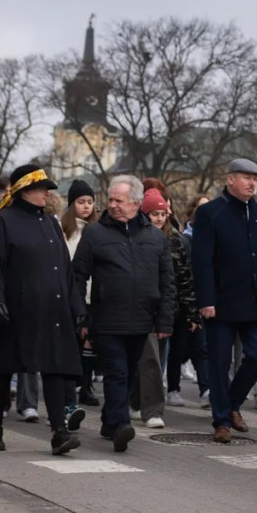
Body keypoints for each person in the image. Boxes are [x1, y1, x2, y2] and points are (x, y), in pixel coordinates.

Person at [0, 165, 84, 455]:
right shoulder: (3, 221)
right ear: (24, 190)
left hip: (52, 311)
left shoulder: (50, 223)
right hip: (16, 310)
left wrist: (75, 305)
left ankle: (59, 432)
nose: (47, 193)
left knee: (55, 369)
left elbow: (64, 269)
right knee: (3, 367)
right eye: (42, 188)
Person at [72, 177, 175, 451]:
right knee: (116, 372)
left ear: (136, 203)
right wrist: (80, 314)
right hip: (106, 318)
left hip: (142, 320)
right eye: (111, 199)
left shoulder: (155, 237)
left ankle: (109, 420)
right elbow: (78, 276)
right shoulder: (94, 234)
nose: (112, 205)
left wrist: (165, 319)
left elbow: (167, 281)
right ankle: (119, 425)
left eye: (119, 200)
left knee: (129, 372)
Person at [191, 159, 257, 443]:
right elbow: (202, 260)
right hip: (221, 301)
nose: (252, 183)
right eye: (246, 177)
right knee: (218, 363)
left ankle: (232, 404)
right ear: (230, 179)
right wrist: (205, 299)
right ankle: (221, 421)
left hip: (256, 301)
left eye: (255, 178)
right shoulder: (210, 213)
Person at [141, 189, 202, 411]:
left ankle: (153, 402)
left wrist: (192, 311)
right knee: (140, 358)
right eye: (154, 214)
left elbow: (186, 278)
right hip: (140, 307)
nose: (159, 218)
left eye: (162, 214)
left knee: (160, 358)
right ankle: (138, 398)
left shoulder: (177, 240)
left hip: (169, 308)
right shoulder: (136, 237)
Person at [61, 179, 100, 407]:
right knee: (72, 342)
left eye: (90, 202)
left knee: (89, 342)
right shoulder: (63, 230)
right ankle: (71, 386)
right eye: (81, 202)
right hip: (70, 293)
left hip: (93, 294)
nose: (86, 206)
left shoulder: (97, 229)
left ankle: (86, 386)